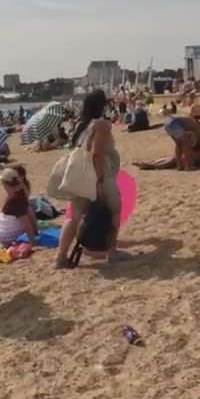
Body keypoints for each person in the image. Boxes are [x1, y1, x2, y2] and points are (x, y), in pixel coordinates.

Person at [55, 89, 123, 269]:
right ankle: (112, 251)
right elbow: (96, 155)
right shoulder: (101, 125)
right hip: (99, 176)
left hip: (80, 177)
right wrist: (100, 182)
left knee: (73, 217)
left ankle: (60, 257)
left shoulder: (82, 124)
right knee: (114, 211)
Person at [0, 168, 38, 247]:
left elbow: (26, 224)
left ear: (6, 184)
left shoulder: (16, 199)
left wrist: (33, 243)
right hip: (3, 233)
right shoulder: (19, 194)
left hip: (4, 237)